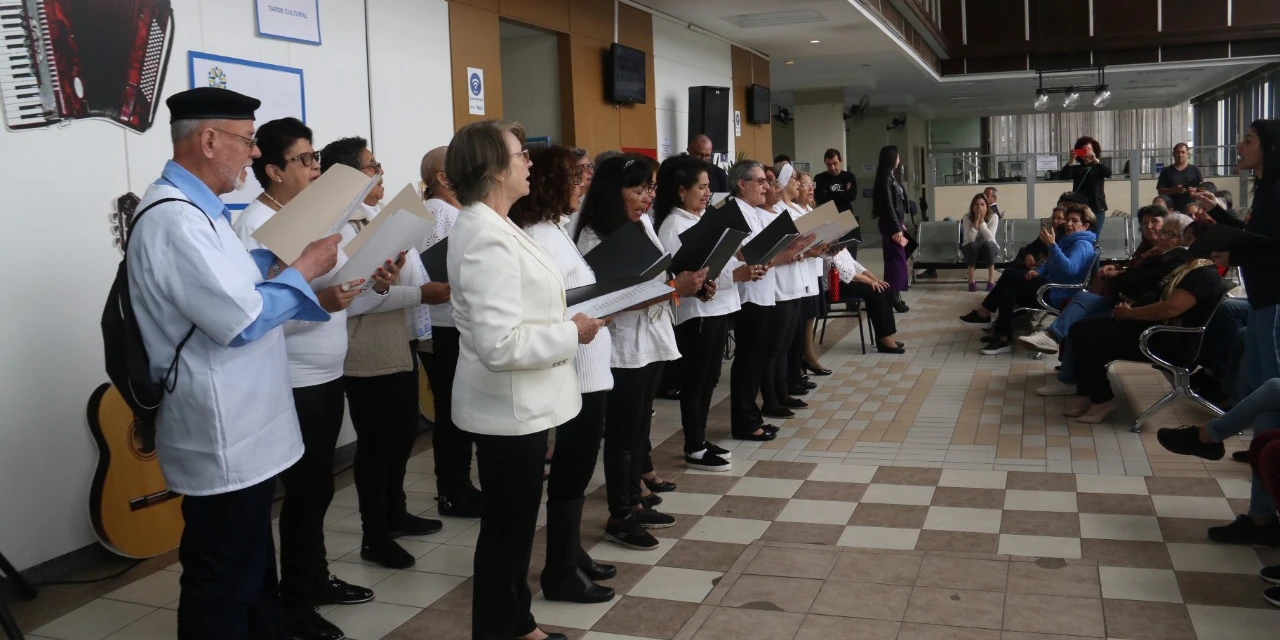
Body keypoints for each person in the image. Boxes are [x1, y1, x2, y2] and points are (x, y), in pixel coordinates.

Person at [129, 87, 341, 639]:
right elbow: (242, 319)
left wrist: (271, 261)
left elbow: (233, 284)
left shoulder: (204, 211)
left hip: (248, 426)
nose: (254, 152)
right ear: (208, 140)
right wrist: (305, 267)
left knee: (252, 570)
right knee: (222, 580)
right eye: (246, 140)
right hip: (221, 432)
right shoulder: (174, 219)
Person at [446, 120, 604, 640]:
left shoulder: (499, 224)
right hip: (506, 409)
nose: (529, 163)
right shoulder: (483, 236)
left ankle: (518, 625)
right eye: (521, 155)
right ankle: (502, 630)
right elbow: (500, 345)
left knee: (513, 532)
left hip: (520, 405)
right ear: (494, 169)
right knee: (506, 534)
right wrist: (572, 332)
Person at [230, 118, 372, 640]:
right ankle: (295, 604)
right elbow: (252, 315)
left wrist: (369, 279)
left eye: (315, 158)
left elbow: (329, 279)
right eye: (305, 159)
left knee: (319, 490)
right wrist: (323, 301)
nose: (316, 167)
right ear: (273, 170)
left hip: (326, 371)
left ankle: (314, 578)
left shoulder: (308, 215)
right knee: (306, 492)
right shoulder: (255, 226)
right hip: (293, 377)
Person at [320, 137, 447, 570]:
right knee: (377, 444)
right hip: (367, 346)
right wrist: (419, 294)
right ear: (349, 176)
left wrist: (414, 289)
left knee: (401, 435)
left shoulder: (380, 218)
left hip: (398, 338)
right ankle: (374, 533)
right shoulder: (342, 227)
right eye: (372, 166)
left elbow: (399, 279)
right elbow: (353, 298)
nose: (380, 174)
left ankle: (396, 512)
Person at [575, 154, 705, 551]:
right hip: (621, 346)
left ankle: (634, 499)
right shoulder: (594, 237)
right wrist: (674, 288)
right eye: (638, 189)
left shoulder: (643, 223)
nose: (647, 197)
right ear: (612, 192)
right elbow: (607, 301)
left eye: (650, 188)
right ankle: (620, 514)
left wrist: (681, 284)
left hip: (649, 338)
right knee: (621, 433)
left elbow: (657, 273)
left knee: (638, 428)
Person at [1164, 119, 1280, 546]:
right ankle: (1261, 516)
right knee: (1265, 403)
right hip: (1264, 304)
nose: (1239, 145)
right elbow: (1259, 237)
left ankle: (1212, 440)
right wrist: (1220, 214)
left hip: (1274, 304)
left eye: (1248, 140)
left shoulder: (1277, 192)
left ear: (1269, 148)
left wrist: (1235, 254)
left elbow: (1270, 247)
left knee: (1270, 399)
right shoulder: (1265, 191)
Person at [509, 145, 616, 604]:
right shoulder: (535, 234)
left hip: (587, 362)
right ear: (551, 184)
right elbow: (550, 304)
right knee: (573, 468)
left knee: (580, 466)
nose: (582, 186)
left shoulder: (554, 227)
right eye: (574, 178)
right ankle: (560, 572)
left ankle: (570, 553)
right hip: (574, 366)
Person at [655, 155, 758, 472]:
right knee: (696, 380)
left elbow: (717, 262)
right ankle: (694, 445)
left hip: (716, 306)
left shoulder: (699, 220)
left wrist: (733, 271)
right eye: (700, 187)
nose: (706, 193)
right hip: (696, 313)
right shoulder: (673, 226)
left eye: (708, 187)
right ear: (681, 190)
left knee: (710, 377)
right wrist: (730, 277)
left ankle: (699, 439)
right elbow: (677, 274)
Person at [1062, 236, 1226, 423]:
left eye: (1189, 238)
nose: (1184, 242)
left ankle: (1102, 399)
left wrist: (1130, 314)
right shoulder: (1189, 269)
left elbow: (1170, 308)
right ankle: (1087, 393)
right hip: (1156, 330)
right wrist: (1129, 309)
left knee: (1089, 336)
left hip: (1167, 341)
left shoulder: (1203, 275)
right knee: (1080, 328)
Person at [1021, 212, 1193, 377]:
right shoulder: (1157, 253)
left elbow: (1136, 283)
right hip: (1122, 300)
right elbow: (1131, 272)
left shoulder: (1175, 261)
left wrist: (1121, 274)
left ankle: (1068, 376)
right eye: (1163, 232)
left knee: (1081, 325)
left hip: (1136, 311)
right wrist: (1123, 268)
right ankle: (1052, 339)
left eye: (1169, 234)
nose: (1161, 236)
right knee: (1083, 298)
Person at [416, 146, 483, 518]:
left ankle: (461, 486)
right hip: (445, 326)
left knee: (460, 410)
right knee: (453, 412)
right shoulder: (439, 214)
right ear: (442, 177)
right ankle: (452, 491)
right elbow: (433, 272)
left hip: (453, 323)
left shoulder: (452, 211)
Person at [959, 203, 1098, 355]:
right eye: (1068, 219)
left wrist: (1052, 246)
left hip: (1056, 292)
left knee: (1010, 275)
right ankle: (1001, 335)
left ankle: (987, 317)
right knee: (1008, 289)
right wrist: (1038, 271)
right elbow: (1051, 263)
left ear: (1085, 225)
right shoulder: (1070, 241)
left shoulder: (1082, 245)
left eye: (1074, 221)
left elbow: (1070, 269)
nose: (1069, 224)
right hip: (1050, 285)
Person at [727, 160, 784, 443]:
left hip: (762, 292)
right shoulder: (735, 212)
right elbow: (743, 254)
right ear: (742, 184)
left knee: (756, 359)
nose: (766, 187)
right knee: (748, 361)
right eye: (760, 181)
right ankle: (745, 423)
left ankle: (752, 417)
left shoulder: (753, 212)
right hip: (749, 296)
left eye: (767, 182)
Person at [759, 165, 817, 418]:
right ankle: (771, 397)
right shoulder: (769, 214)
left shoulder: (783, 212)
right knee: (775, 347)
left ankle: (782, 392)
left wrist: (806, 249)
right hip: (778, 287)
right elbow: (772, 254)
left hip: (794, 283)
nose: (770, 188)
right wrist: (798, 251)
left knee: (784, 344)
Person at [873, 145, 911, 312]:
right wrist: (896, 228)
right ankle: (893, 296)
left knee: (894, 259)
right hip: (890, 224)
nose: (899, 160)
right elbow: (888, 206)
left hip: (894, 222)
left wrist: (900, 224)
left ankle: (893, 295)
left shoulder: (889, 177)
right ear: (892, 159)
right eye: (897, 157)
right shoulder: (885, 179)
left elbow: (895, 205)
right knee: (896, 259)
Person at [814, 148, 861, 258]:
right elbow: (820, 198)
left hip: (846, 217)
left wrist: (829, 193)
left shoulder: (849, 177)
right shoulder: (819, 178)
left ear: (841, 161)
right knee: (832, 255)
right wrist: (844, 193)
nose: (832, 167)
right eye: (829, 164)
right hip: (829, 219)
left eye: (835, 163)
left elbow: (852, 196)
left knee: (850, 254)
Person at [1061, 136, 1110, 233]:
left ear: (1094, 151)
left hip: (1097, 208)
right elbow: (1064, 175)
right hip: (1080, 208)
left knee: (1094, 236)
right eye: (1083, 150)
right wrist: (1071, 160)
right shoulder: (1077, 169)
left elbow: (1108, 173)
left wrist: (1096, 160)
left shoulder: (1098, 167)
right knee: (1078, 234)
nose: (1086, 152)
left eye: (1089, 149)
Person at [962, 192, 1000, 292]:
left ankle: (991, 279)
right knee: (972, 245)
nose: (979, 207)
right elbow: (969, 240)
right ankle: (971, 280)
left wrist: (982, 221)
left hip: (989, 249)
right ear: (972, 207)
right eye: (976, 204)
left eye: (982, 204)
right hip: (971, 249)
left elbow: (989, 238)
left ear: (987, 206)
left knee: (987, 244)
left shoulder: (994, 217)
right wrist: (975, 222)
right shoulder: (966, 217)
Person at [1157, 142, 1203, 212]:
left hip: (1192, 210)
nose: (1180, 155)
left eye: (1183, 152)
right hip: (1172, 210)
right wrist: (1174, 190)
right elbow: (1160, 192)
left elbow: (1203, 190)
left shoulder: (1195, 170)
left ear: (1188, 154)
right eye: (1177, 152)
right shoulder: (1166, 171)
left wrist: (1195, 190)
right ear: (1173, 154)